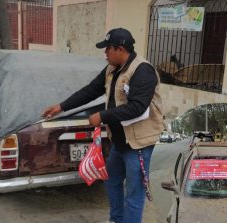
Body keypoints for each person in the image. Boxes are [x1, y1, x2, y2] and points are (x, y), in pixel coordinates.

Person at [42, 27, 164, 223]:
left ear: (120, 49)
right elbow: (91, 90)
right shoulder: (112, 69)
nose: (105, 53)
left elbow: (138, 108)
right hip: (119, 141)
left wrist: (103, 115)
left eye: (108, 49)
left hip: (138, 144)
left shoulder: (143, 71)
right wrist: (61, 106)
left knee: (134, 193)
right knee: (112, 181)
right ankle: (116, 219)